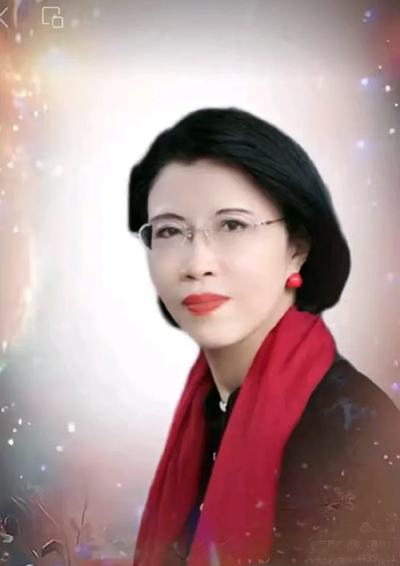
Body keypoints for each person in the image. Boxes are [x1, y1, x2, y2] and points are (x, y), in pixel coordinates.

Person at [127, 108, 400, 566]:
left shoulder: (356, 429)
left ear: (297, 247)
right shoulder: (205, 411)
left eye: (232, 225)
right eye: (171, 230)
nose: (196, 264)